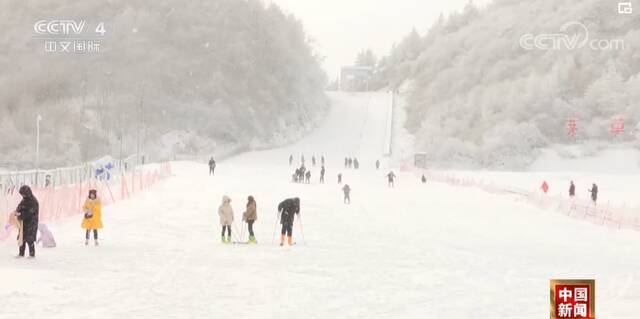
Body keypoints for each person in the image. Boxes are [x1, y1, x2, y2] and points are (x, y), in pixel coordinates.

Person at [15, 185, 39, 258]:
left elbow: (29, 212)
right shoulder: (24, 199)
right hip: (24, 223)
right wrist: (17, 212)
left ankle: (32, 254)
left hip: (31, 223)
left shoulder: (33, 201)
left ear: (27, 193)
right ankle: (21, 253)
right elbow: (19, 207)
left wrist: (20, 215)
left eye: (23, 194)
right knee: (22, 238)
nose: (22, 195)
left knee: (29, 239)